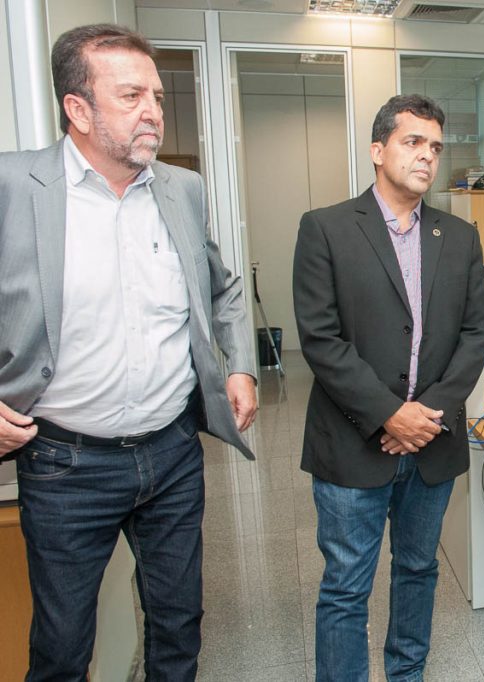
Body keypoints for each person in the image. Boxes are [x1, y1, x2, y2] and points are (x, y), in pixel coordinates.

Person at [0, 23, 258, 680]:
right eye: (131, 96)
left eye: (157, 97)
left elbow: (222, 288)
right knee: (63, 646)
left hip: (173, 454)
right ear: (78, 109)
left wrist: (239, 366)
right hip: (64, 465)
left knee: (178, 626)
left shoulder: (181, 188)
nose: (153, 112)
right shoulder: (13, 187)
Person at [293, 94, 484, 681]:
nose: (427, 156)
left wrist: (425, 414)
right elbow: (321, 339)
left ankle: (407, 674)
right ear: (378, 150)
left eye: (435, 146)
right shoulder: (326, 228)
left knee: (418, 570)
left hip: (431, 441)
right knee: (345, 586)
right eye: (413, 142)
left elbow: (477, 331)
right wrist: (389, 414)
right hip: (351, 442)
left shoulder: (460, 236)